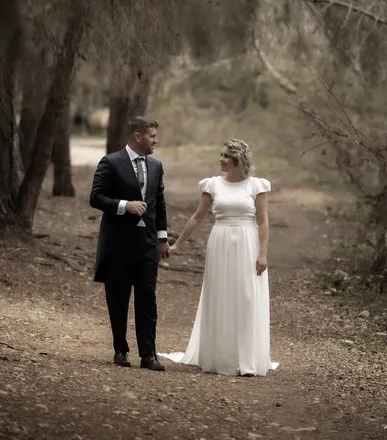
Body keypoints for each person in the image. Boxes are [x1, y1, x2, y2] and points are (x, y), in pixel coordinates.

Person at [160, 139, 278, 377]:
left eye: (226, 156)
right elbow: (197, 217)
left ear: (238, 159)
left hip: (247, 242)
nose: (221, 160)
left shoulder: (256, 185)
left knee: (246, 296)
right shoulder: (212, 185)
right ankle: (220, 356)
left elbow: (263, 221)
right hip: (221, 242)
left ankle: (247, 358)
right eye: (221, 155)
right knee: (221, 295)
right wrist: (177, 244)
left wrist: (263, 253)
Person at [89, 116, 169, 371]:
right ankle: (120, 350)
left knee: (147, 298)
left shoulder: (156, 166)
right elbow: (96, 197)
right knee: (118, 297)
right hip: (118, 243)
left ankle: (149, 354)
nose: (156, 140)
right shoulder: (111, 162)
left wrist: (162, 239)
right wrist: (125, 205)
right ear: (138, 137)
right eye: (152, 136)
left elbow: (160, 204)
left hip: (147, 244)